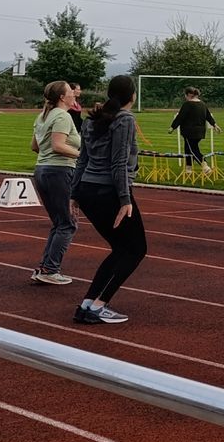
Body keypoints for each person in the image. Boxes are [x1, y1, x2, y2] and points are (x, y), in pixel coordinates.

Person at [71, 75, 146, 325]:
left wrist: (74, 193)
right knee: (135, 250)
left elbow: (82, 160)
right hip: (109, 192)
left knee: (121, 249)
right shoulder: (125, 120)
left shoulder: (92, 119)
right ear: (132, 95)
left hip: (88, 190)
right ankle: (98, 306)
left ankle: (88, 304)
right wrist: (125, 200)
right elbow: (118, 163)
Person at [29, 81, 81, 285]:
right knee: (67, 223)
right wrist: (82, 155)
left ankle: (45, 267)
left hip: (42, 170)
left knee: (60, 223)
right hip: (59, 171)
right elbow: (58, 145)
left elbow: (35, 146)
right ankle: (50, 269)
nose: (74, 94)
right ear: (62, 97)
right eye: (70, 91)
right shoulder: (62, 116)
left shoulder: (42, 116)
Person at [170, 87, 217, 166]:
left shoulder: (187, 104)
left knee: (192, 150)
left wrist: (172, 127)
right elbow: (208, 116)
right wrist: (214, 124)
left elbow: (180, 117)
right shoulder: (203, 104)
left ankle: (204, 164)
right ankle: (189, 167)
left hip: (189, 132)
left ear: (188, 95)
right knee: (189, 148)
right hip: (200, 131)